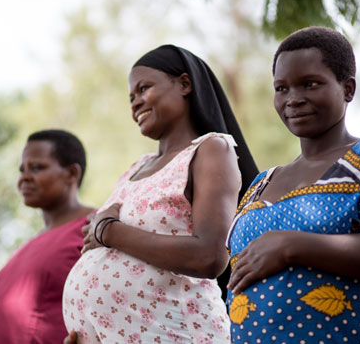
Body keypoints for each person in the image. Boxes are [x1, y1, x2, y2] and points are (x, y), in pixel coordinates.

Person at [225, 27, 360, 344]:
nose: (294, 99)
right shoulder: (260, 184)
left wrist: (291, 245)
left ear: (348, 89)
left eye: (309, 84)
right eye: (281, 88)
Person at [62, 44, 258, 344]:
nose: (135, 103)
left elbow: (210, 255)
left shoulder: (210, 149)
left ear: (184, 83)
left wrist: (110, 232)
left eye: (144, 89)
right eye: (131, 97)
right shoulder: (135, 168)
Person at [0, 129, 94, 343]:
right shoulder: (30, 244)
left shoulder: (95, 227)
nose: (24, 178)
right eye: (22, 169)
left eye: (36, 168)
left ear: (72, 173)